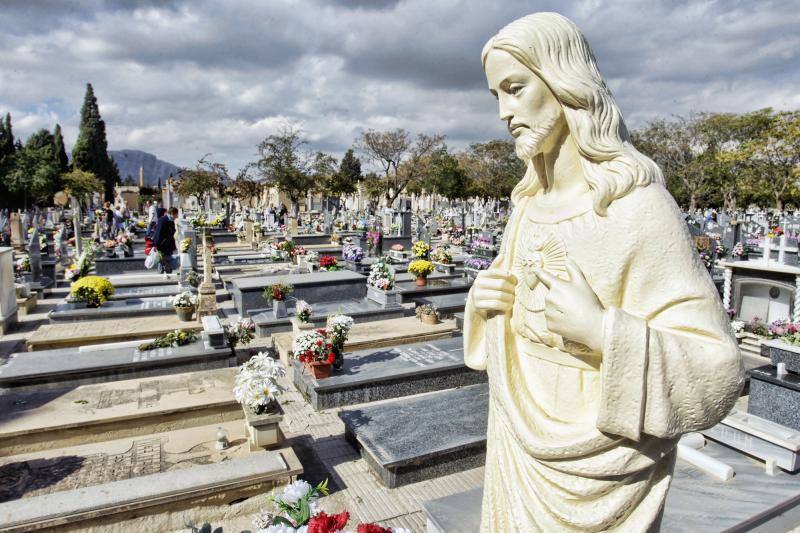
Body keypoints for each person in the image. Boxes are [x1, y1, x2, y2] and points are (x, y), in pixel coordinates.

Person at [465, 13, 742, 531]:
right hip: (518, 442)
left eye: (515, 88)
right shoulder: (527, 204)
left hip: (603, 462)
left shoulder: (637, 207)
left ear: (564, 81)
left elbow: (717, 367)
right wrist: (485, 306)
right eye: (495, 96)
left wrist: (600, 331)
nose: (504, 112)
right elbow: (510, 321)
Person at [154, 207, 178, 276]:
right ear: (172, 213)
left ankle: (164, 273)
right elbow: (158, 233)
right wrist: (157, 244)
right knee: (165, 260)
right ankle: (164, 274)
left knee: (165, 260)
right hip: (163, 245)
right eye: (176, 215)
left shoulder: (170, 220)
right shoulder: (163, 220)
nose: (177, 216)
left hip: (167, 245)